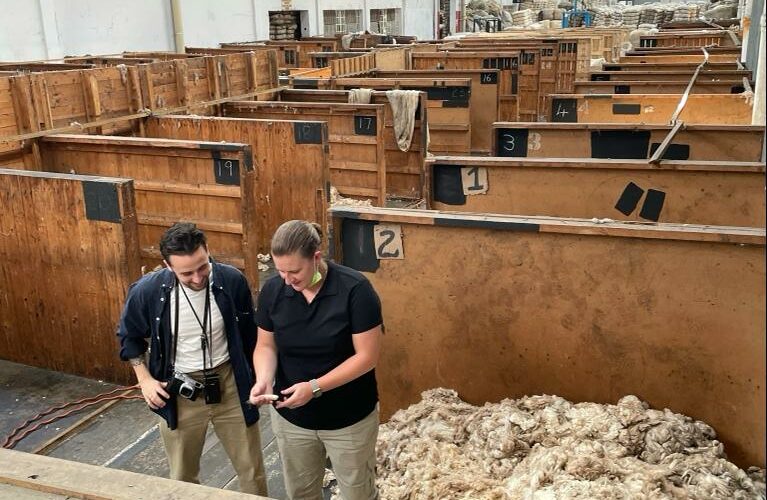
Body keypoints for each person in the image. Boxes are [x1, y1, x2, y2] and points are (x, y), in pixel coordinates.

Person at [117, 222, 267, 495]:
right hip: (179, 390)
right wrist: (145, 380)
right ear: (167, 265)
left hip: (230, 381)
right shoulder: (147, 291)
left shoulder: (232, 281)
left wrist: (258, 378)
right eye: (186, 273)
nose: (198, 278)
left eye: (203, 266)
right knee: (182, 477)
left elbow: (250, 336)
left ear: (208, 251)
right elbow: (129, 337)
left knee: (252, 471)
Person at [250, 220, 383, 500]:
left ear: (316, 257)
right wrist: (263, 378)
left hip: (349, 417)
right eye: (280, 271)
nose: (287, 280)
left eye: (295, 271)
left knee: (357, 492)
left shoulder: (355, 290)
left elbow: (367, 357)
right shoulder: (274, 291)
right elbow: (265, 345)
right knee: (301, 492)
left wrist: (314, 387)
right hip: (293, 418)